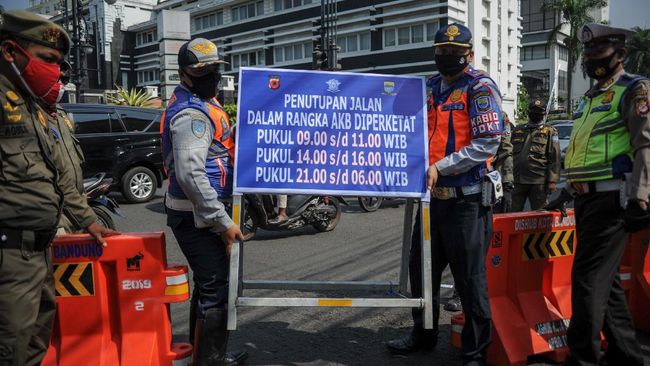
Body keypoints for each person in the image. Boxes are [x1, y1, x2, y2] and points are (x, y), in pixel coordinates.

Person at [0, 10, 115, 365]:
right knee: (10, 349)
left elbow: (59, 175)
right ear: (10, 51)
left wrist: (86, 219)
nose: (55, 70)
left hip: (39, 250)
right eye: (46, 59)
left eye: (59, 62)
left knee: (35, 343)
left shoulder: (35, 107)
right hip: (9, 252)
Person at [386, 23, 502, 366]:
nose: (447, 58)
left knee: (469, 280)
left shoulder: (479, 88)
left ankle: (476, 352)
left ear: (469, 55)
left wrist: (443, 166)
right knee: (421, 272)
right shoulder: (431, 88)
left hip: (466, 199)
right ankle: (423, 336)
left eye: (454, 53)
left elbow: (487, 143)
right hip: (432, 200)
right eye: (442, 52)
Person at [548, 23, 649, 366]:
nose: (591, 59)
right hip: (588, 200)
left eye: (599, 52)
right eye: (588, 53)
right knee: (607, 285)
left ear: (620, 54)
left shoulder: (634, 90)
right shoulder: (591, 99)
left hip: (613, 201)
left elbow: (646, 146)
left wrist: (640, 197)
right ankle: (627, 356)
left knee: (587, 280)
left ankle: (583, 359)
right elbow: (583, 152)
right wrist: (566, 191)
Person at [160, 38, 247, 366]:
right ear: (184, 74)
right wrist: (222, 222)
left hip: (202, 213)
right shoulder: (189, 115)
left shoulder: (201, 102)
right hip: (197, 216)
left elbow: (217, 146)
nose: (212, 76)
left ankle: (207, 356)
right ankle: (210, 361)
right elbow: (191, 175)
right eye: (203, 71)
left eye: (215, 70)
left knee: (210, 285)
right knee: (217, 291)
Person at [510, 100, 560, 211]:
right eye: (533, 111)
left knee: (540, 214)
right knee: (512, 213)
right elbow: (509, 152)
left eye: (539, 112)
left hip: (538, 181)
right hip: (517, 179)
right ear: (528, 112)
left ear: (544, 114)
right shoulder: (518, 130)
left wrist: (552, 181)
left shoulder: (550, 131)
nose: (535, 114)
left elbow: (554, 157)